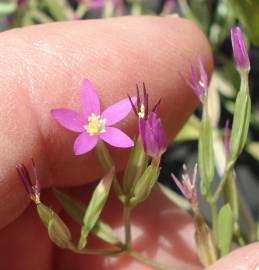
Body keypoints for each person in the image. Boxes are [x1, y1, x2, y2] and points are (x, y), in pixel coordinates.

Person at [0, 16, 257, 270]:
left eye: (96, 122)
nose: (95, 123)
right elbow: (78, 131)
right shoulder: (87, 136)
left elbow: (120, 128)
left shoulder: (111, 132)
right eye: (93, 123)